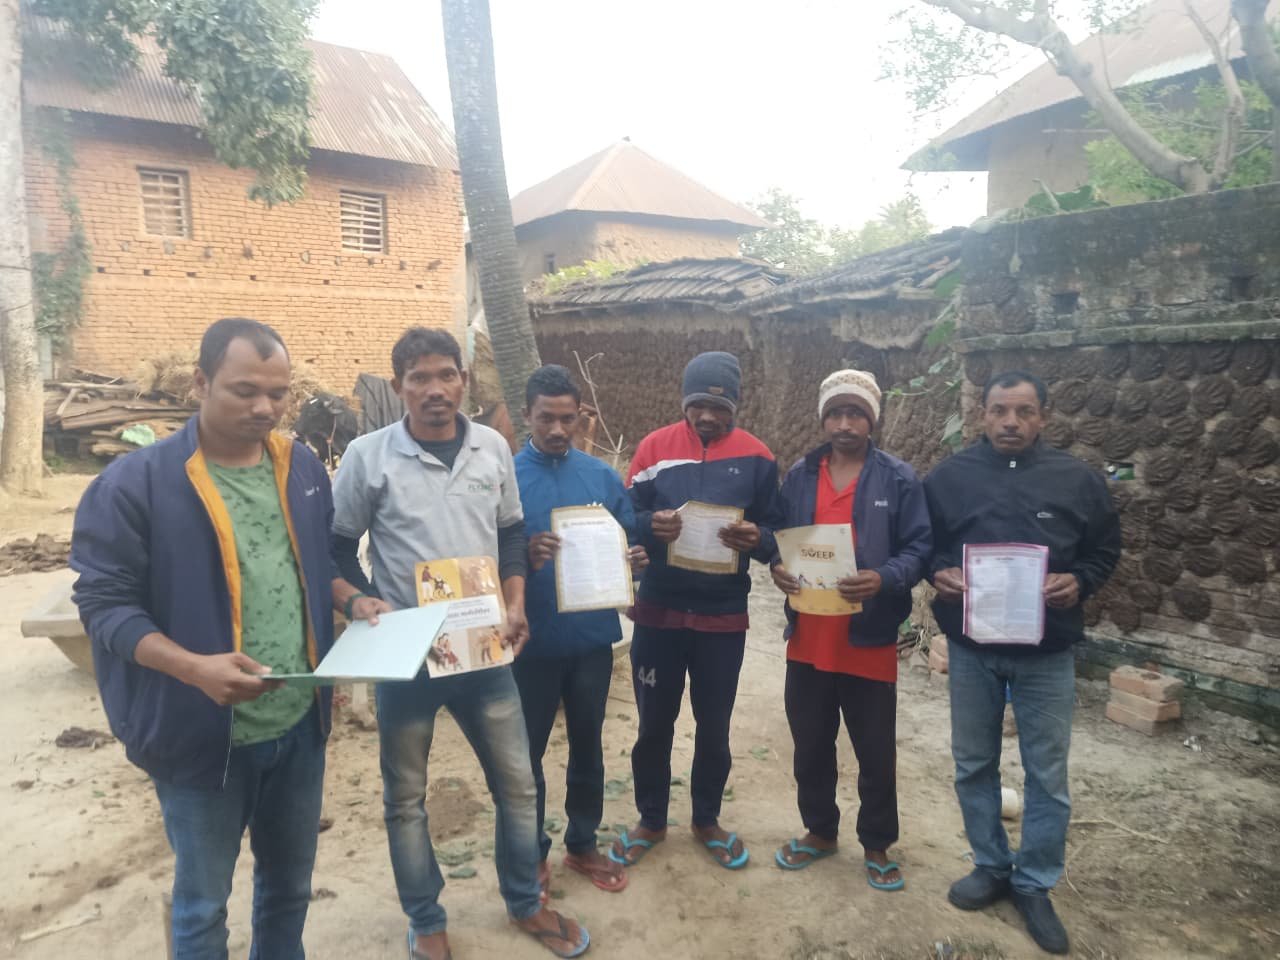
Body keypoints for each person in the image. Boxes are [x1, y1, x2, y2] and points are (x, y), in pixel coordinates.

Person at [70, 318, 389, 959]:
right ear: (200, 382)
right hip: (199, 732)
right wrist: (194, 669)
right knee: (203, 905)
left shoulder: (300, 467)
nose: (265, 407)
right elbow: (104, 607)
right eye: (245, 391)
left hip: (299, 723)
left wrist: (351, 598)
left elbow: (314, 561)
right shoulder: (136, 484)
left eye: (278, 393)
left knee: (289, 887)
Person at [330, 328, 589, 960]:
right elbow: (334, 548)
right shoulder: (368, 456)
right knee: (405, 800)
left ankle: (525, 902)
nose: (434, 389)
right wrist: (360, 600)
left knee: (518, 787)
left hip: (483, 651)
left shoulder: (492, 447)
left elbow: (510, 534)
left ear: (463, 381)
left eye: (446, 374)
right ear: (399, 387)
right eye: (418, 377)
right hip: (408, 658)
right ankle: (426, 919)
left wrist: (516, 602)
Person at [924, 370, 1121, 956]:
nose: (1011, 421)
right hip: (972, 649)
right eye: (999, 410)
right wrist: (937, 571)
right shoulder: (949, 478)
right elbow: (924, 543)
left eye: (1024, 411)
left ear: (1044, 416)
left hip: (1047, 651)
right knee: (973, 763)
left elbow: (1105, 550)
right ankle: (990, 865)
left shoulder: (1077, 480)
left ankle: (1034, 883)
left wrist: (1079, 581)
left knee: (1047, 775)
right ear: (982, 414)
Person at [609, 351, 784, 871]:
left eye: (719, 407)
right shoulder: (653, 449)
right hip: (658, 611)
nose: (707, 416)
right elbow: (626, 517)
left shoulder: (758, 457)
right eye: (698, 405)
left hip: (722, 617)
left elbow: (778, 532)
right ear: (683, 400)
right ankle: (651, 819)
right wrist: (649, 527)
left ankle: (707, 820)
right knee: (653, 724)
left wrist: (758, 539)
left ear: (736, 405)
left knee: (714, 725)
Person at [769, 369, 932, 891]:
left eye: (856, 413)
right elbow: (780, 537)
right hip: (809, 638)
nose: (845, 424)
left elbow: (920, 547)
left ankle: (877, 842)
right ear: (823, 419)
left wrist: (885, 577)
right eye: (836, 413)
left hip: (868, 639)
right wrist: (777, 566)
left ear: (871, 420)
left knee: (875, 751)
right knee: (811, 744)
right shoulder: (801, 475)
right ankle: (820, 831)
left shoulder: (897, 478)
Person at [513, 364, 648, 898]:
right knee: (526, 753)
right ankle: (530, 853)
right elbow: (484, 556)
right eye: (546, 418)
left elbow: (628, 541)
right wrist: (523, 556)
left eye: (567, 418)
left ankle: (583, 842)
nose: (557, 429)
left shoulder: (601, 477)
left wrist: (635, 561)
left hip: (592, 641)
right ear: (526, 414)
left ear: (579, 417)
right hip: (529, 642)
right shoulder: (505, 479)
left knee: (588, 744)